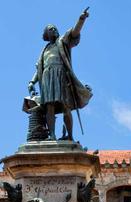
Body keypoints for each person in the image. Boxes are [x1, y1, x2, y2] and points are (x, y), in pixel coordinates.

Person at [28, 8, 92, 141]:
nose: (54, 30)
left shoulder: (62, 42)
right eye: (51, 29)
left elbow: (74, 32)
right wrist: (32, 82)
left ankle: (70, 135)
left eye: (55, 28)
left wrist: (81, 19)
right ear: (47, 34)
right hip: (46, 77)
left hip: (60, 75)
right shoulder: (44, 50)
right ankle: (52, 135)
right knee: (49, 107)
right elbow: (39, 68)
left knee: (66, 106)